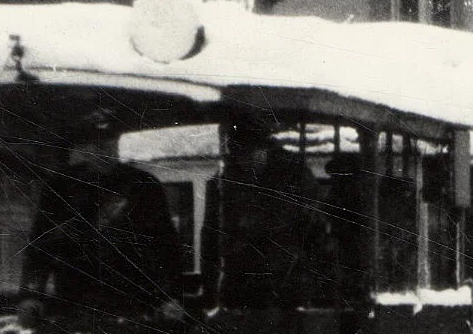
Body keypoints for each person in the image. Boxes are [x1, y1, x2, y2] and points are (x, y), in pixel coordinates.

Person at [21, 128, 188, 317]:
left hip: (132, 299)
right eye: (97, 144)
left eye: (109, 142)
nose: (103, 150)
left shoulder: (143, 185)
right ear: (84, 147)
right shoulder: (61, 186)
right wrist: (31, 296)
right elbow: (40, 244)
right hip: (74, 297)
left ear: (118, 142)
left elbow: (165, 246)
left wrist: (170, 297)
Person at [203, 123, 338, 309]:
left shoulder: (295, 178)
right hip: (241, 283)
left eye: (246, 156)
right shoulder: (223, 182)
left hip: (288, 280)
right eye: (237, 157)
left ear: (262, 150)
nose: (242, 164)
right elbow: (212, 237)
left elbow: (315, 231)